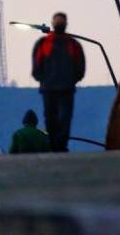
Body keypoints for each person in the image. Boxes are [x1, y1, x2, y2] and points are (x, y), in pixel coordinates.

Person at [31, 12, 86, 152]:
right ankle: (58, 144)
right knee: (59, 117)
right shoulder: (70, 44)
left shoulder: (67, 44)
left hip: (55, 88)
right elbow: (80, 67)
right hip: (59, 88)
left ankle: (58, 144)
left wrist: (42, 79)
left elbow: (37, 65)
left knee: (56, 117)